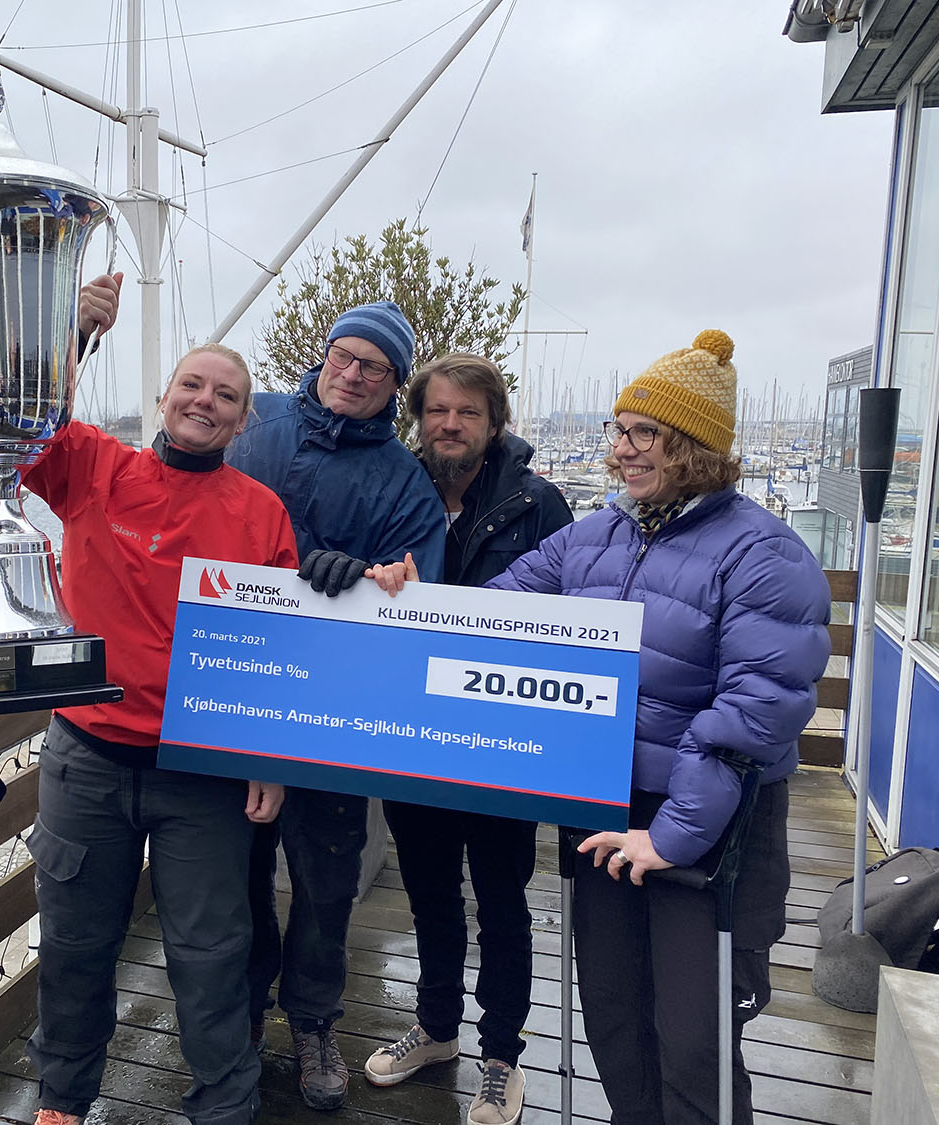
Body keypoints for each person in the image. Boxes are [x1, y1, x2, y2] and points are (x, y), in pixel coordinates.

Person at [482, 330, 831, 1123]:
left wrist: (672, 836)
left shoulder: (764, 553)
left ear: (694, 446)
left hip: (714, 826)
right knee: (614, 1015)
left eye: (644, 433)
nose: (621, 449)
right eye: (619, 429)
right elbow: (497, 610)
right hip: (606, 808)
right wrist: (401, 592)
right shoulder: (595, 534)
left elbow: (756, 709)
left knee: (695, 1037)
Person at [20, 328, 300, 1125]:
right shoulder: (92, 467)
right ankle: (61, 1098)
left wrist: (270, 758)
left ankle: (225, 1107)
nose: (205, 400)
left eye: (226, 394)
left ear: (242, 421)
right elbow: (20, 413)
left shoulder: (262, 513)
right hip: (86, 761)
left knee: (212, 956)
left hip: (202, 775)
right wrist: (72, 332)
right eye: (193, 385)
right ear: (164, 396)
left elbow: (277, 651)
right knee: (73, 945)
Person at [225, 300, 446, 1110]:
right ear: (323, 355)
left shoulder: (404, 479)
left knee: (326, 881)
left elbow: (419, 590)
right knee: (233, 871)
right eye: (343, 355)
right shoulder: (254, 423)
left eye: (373, 366)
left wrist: (364, 580)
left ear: (394, 384)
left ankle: (315, 1019)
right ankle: (244, 1006)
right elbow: (179, 496)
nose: (352, 374)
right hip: (235, 691)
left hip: (332, 710)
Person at [363, 353, 571, 1125]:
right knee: (429, 895)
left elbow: (574, 619)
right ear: (419, 417)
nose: (450, 424)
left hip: (500, 743)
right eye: (438, 410)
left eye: (468, 412)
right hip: (411, 734)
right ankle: (437, 1026)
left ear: (494, 422)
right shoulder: (393, 492)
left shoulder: (538, 504)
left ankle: (501, 1055)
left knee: (503, 902)